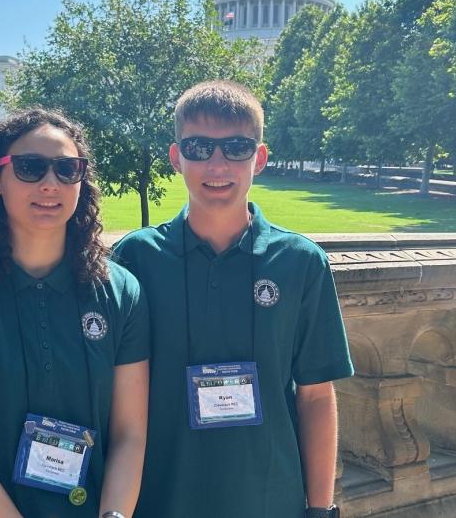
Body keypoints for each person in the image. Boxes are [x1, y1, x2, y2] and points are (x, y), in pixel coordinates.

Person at [112, 81, 353, 518]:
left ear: (259, 158)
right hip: (160, 499)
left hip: (269, 501)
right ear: (175, 157)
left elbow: (316, 395)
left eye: (237, 147)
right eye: (199, 147)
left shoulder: (300, 262)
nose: (217, 163)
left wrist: (321, 510)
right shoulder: (136, 258)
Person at [0, 108, 149, 518]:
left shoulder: (119, 290)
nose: (50, 183)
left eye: (67, 169)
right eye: (30, 168)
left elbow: (130, 434)